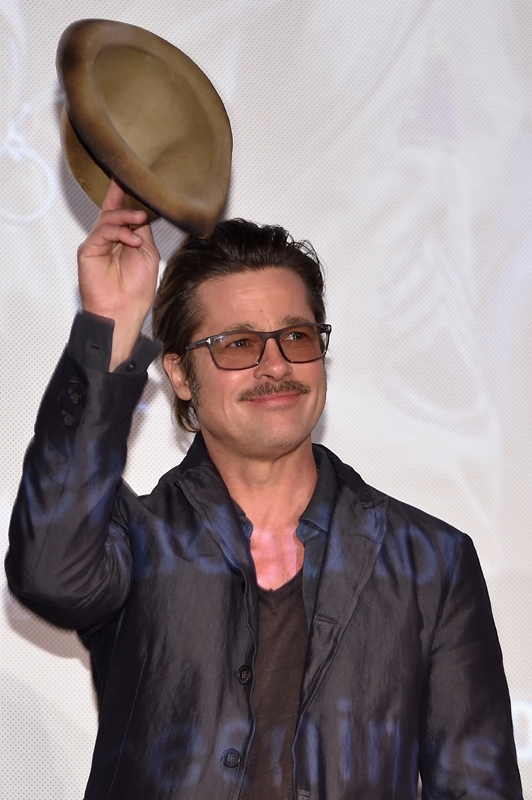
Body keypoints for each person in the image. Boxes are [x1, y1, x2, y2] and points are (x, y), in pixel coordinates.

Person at [6, 180, 523, 799]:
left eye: (296, 337)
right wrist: (108, 327)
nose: (275, 365)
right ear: (181, 375)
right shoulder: (132, 541)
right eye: (238, 344)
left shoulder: (430, 562)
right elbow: (47, 574)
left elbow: (476, 786)